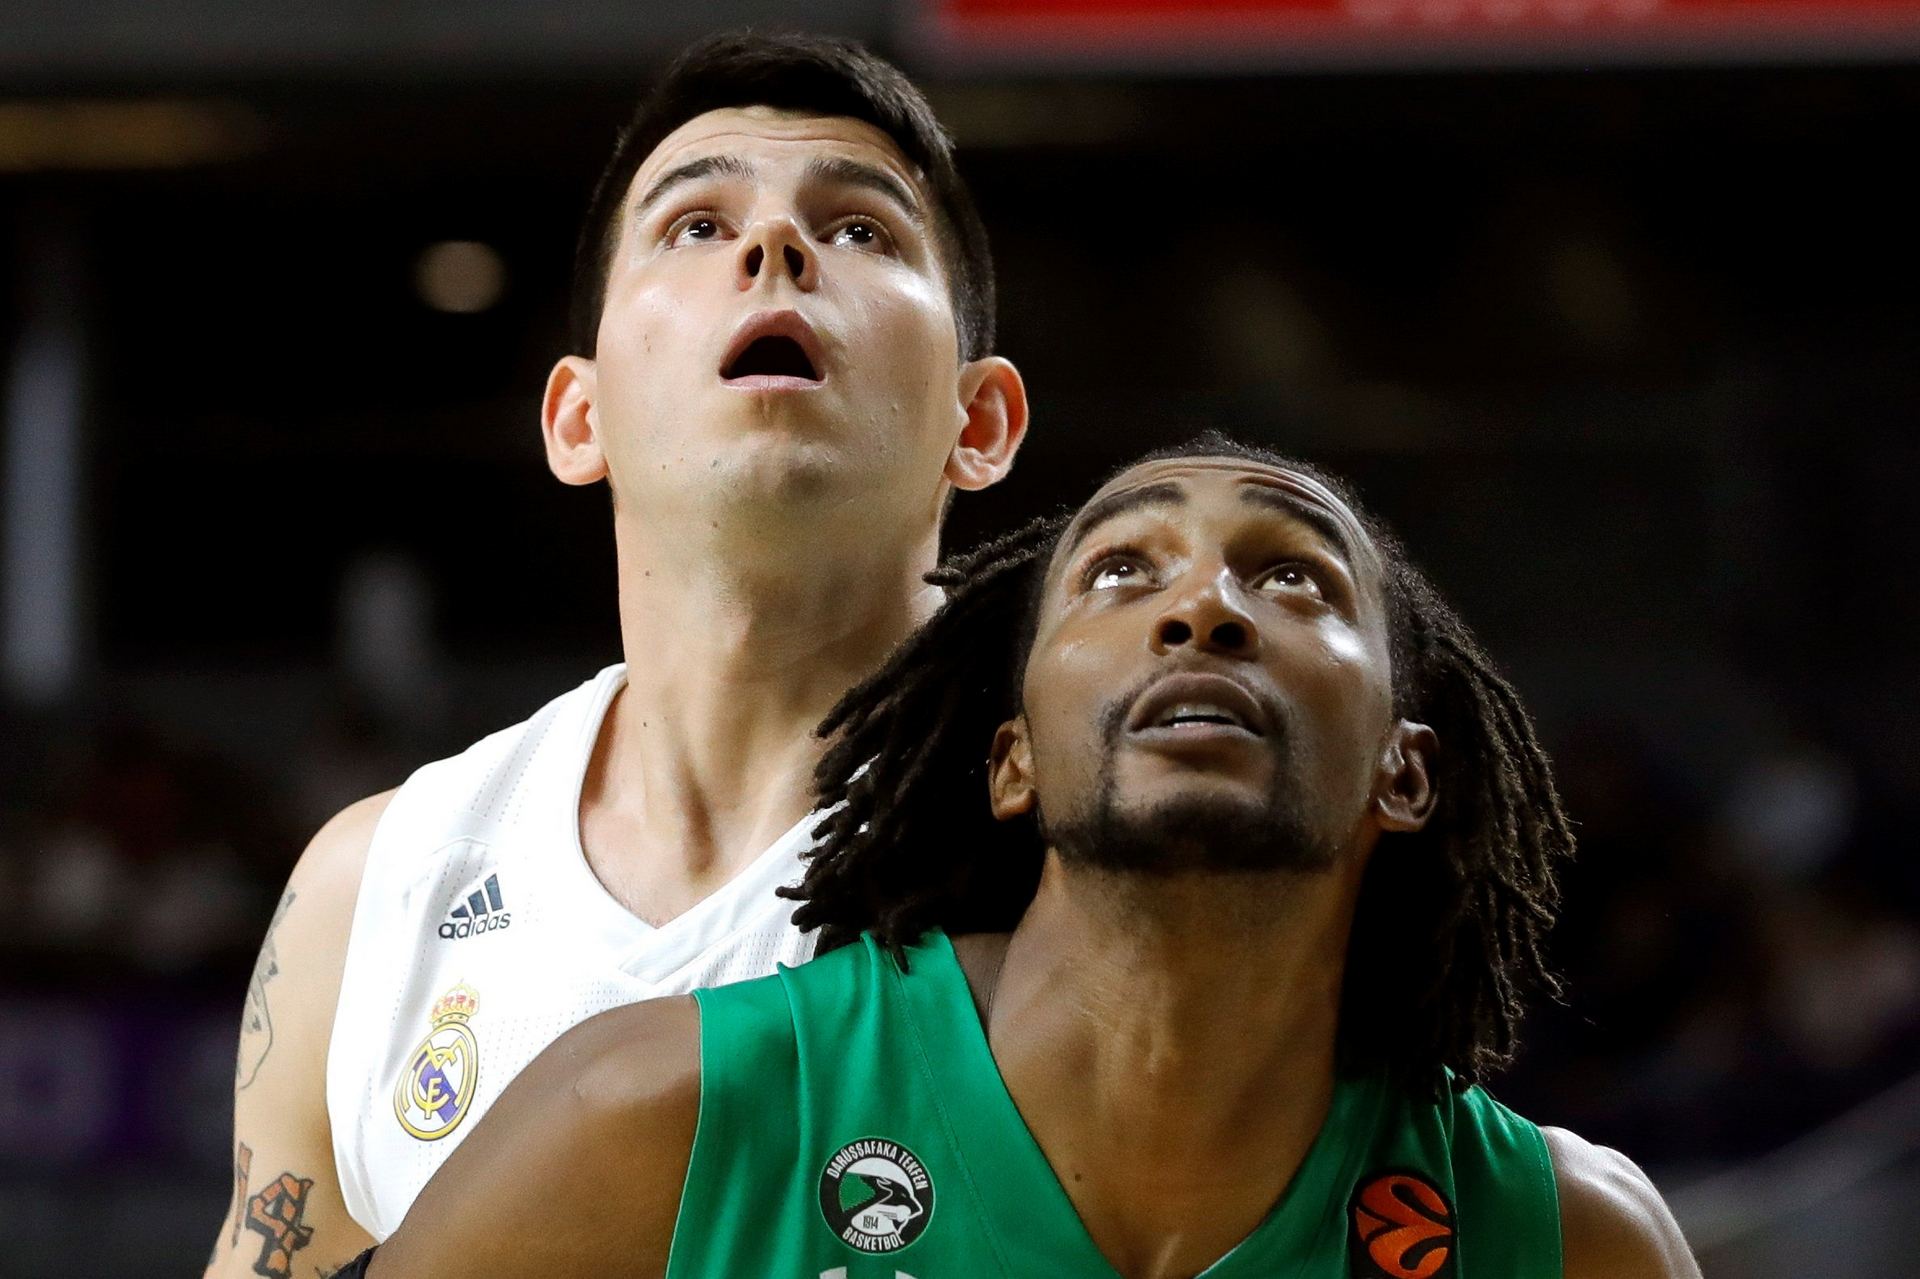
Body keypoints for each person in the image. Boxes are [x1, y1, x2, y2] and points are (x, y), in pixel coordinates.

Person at [354, 437, 1701, 1278]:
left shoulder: (1564, 1240)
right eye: (1122, 571)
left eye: (1294, 577)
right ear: (1016, 759)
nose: (1202, 607)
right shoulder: (664, 1113)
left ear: (1404, 770)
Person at [205, 31, 1028, 1279]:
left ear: (980, 422)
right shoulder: (374, 888)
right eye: (695, 224)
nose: (775, 248)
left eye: (862, 228)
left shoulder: (1084, 850)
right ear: (578, 417)